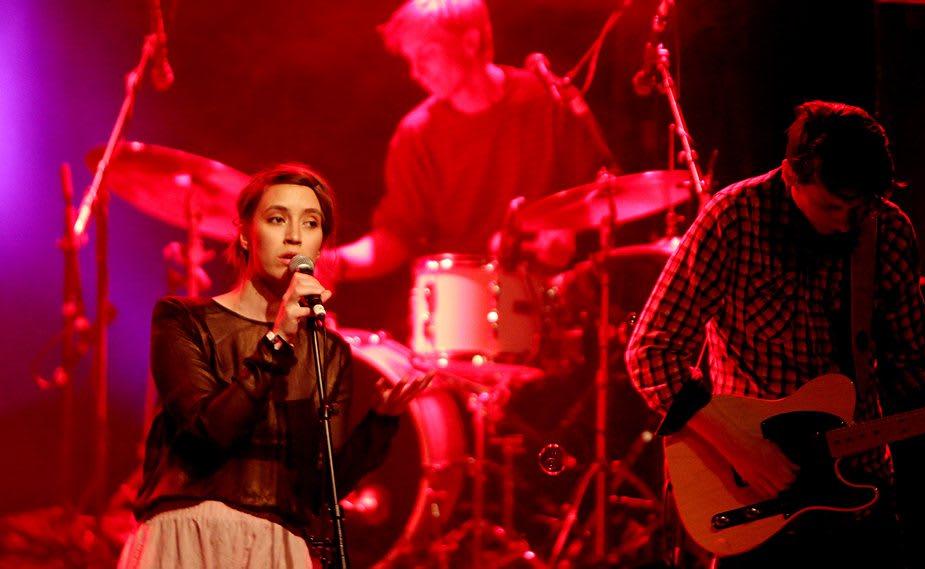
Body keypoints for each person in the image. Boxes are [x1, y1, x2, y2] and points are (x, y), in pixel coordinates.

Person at [624, 101, 925, 569]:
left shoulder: (888, 230)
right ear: (791, 175)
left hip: (861, 492)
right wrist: (741, 447)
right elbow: (651, 350)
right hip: (755, 495)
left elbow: (912, 368)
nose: (846, 222)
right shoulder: (734, 218)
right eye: (832, 206)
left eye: (860, 208)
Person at [116, 163, 433, 569]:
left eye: (311, 223)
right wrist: (278, 340)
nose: (294, 236)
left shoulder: (328, 351)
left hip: (277, 546)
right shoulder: (183, 319)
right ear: (245, 234)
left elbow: (319, 489)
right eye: (277, 219)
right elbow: (206, 436)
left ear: (321, 245)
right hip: (187, 534)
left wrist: (381, 422)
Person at [316, 0, 616, 286]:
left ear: (470, 42)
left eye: (426, 55)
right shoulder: (416, 134)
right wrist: (336, 263)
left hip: (551, 296)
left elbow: (609, 194)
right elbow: (398, 235)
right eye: (410, 60)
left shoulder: (549, 102)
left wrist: (568, 230)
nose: (416, 72)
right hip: (456, 304)